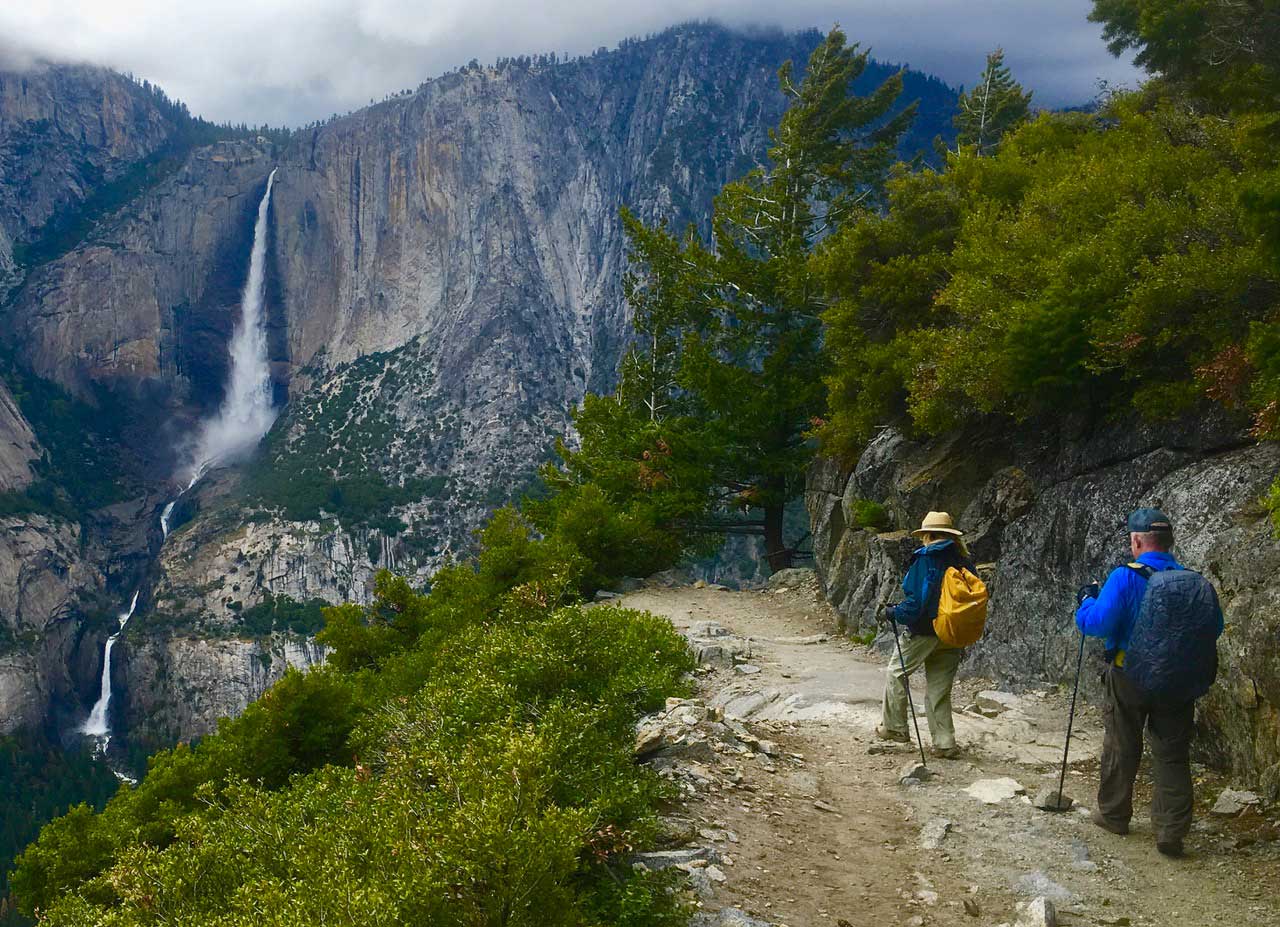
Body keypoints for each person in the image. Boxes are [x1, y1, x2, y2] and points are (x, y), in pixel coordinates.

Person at [1075, 507, 1224, 858]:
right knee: (1172, 754)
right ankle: (1170, 830)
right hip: (1177, 681)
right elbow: (1213, 628)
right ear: (1169, 542)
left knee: (1122, 743)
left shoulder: (1125, 577)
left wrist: (1085, 602)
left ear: (1137, 541)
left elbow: (1097, 624)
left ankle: (1113, 814)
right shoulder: (1192, 581)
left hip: (1129, 675)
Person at [876, 511, 975, 759]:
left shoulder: (926, 559)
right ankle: (944, 742)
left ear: (927, 535)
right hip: (953, 632)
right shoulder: (963, 560)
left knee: (896, 672)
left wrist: (894, 612)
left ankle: (895, 728)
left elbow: (917, 603)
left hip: (925, 631)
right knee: (939, 689)